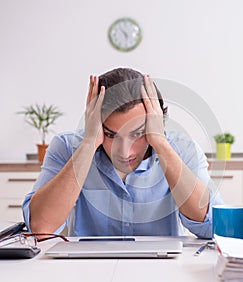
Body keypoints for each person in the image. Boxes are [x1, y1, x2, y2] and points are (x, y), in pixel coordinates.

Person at [22, 67, 223, 238]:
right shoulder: (67, 148)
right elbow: (41, 228)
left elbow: (214, 226)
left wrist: (160, 142)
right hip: (87, 272)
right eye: (111, 135)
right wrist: (89, 143)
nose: (124, 151)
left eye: (138, 134)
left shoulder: (182, 149)